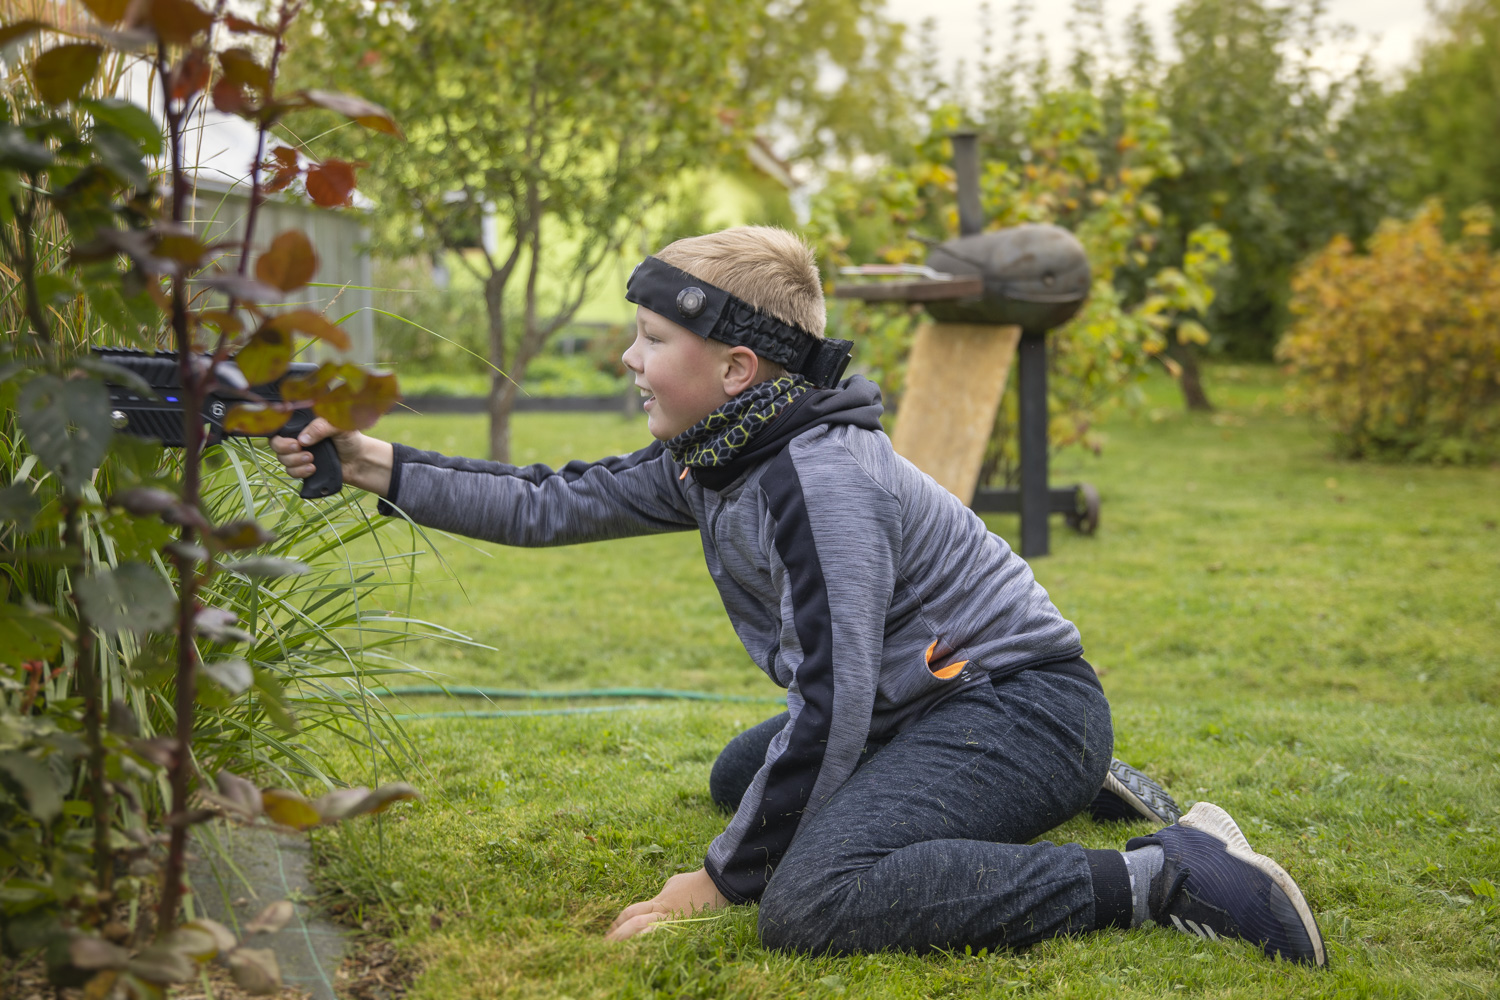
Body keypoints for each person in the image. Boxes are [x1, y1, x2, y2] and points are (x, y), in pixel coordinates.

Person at [271, 227, 1325, 965]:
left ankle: (1170, 876)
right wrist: (368, 463)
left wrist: (718, 885)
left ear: (736, 367)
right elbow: (553, 501)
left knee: (812, 897)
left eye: (650, 340)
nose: (630, 360)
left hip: (1019, 700)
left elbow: (829, 709)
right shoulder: (719, 449)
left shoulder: (817, 480)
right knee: (747, 775)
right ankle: (1074, 781)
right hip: (944, 701)